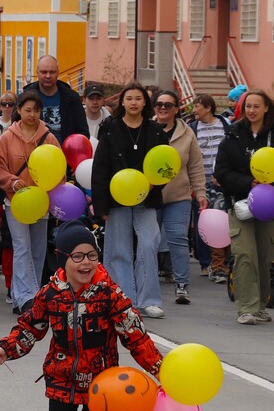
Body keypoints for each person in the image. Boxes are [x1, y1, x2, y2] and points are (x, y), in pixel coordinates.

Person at [0, 221, 163, 411]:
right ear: (63, 258)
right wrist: (6, 349)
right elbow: (30, 327)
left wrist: (159, 368)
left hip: (102, 380)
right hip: (61, 375)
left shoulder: (110, 295)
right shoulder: (50, 294)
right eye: (78, 256)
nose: (86, 263)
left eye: (92, 256)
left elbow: (136, 336)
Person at [214, 90, 274, 325]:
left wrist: (273, 185)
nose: (251, 110)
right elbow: (221, 170)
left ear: (266, 109)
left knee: (263, 256)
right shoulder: (233, 135)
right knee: (244, 254)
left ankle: (261, 305)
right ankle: (246, 308)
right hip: (240, 204)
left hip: (269, 206)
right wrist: (248, 183)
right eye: (248, 106)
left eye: (256, 106)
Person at [91, 83, 169, 318]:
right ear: (122, 102)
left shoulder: (156, 131)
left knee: (148, 244)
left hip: (147, 198)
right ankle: (121, 298)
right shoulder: (110, 129)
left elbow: (166, 165)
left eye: (138, 98)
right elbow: (100, 169)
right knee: (118, 248)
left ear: (145, 102)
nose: (134, 102)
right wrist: (101, 205)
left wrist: (157, 183)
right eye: (129, 98)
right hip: (117, 199)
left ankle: (149, 299)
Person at [0, 90, 62, 314]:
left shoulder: (49, 137)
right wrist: (12, 182)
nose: (32, 114)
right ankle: (26, 298)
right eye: (27, 109)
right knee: (22, 247)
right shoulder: (7, 137)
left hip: (41, 201)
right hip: (16, 202)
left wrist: (50, 189)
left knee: (38, 249)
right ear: (18, 110)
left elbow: (59, 168)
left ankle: (25, 295)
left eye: (36, 110)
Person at [150, 91, 207, 306]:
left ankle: (182, 285)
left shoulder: (187, 134)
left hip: (178, 196)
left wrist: (200, 193)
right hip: (149, 196)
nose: (163, 108)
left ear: (177, 109)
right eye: (159, 104)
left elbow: (195, 166)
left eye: (168, 105)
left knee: (178, 239)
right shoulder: (146, 129)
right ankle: (146, 284)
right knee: (148, 241)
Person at [187, 94, 229, 281]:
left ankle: (223, 262)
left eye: (198, 106)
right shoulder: (192, 128)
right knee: (202, 221)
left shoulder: (226, 125)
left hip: (223, 182)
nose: (194, 109)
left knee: (224, 221)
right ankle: (206, 263)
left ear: (208, 108)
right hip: (200, 183)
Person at [22, 55, 88, 143]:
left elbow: (83, 132)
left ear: (58, 73)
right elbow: (16, 129)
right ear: (37, 73)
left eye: (52, 72)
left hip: (65, 153)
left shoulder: (72, 98)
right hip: (33, 153)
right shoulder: (25, 98)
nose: (48, 76)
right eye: (44, 72)